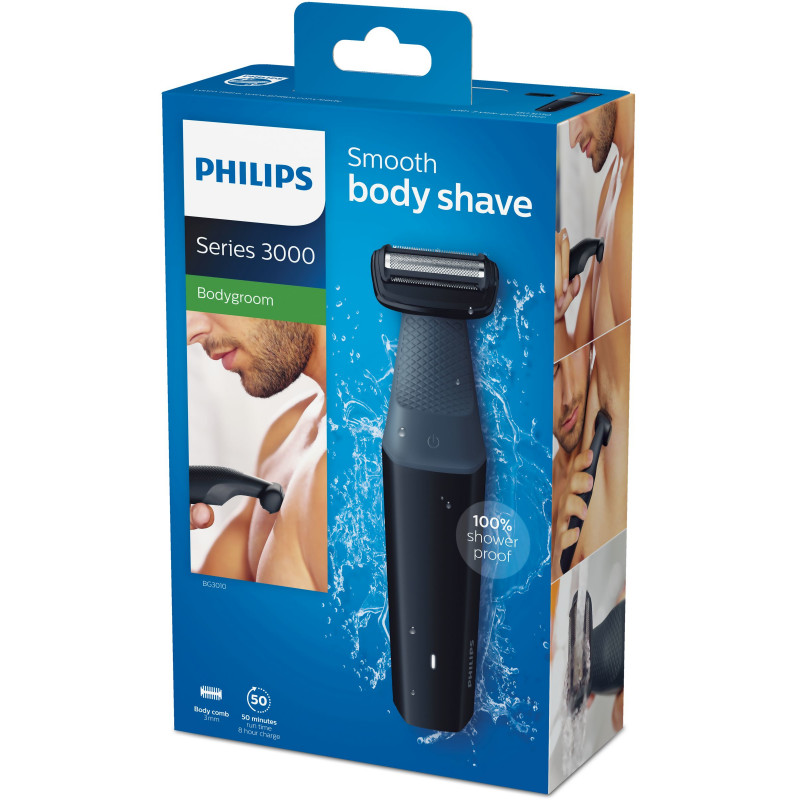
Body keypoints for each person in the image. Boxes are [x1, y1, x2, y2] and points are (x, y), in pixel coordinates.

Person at [186, 312, 327, 592]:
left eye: (212, 294)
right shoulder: (288, 431)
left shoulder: (362, 465)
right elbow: (209, 602)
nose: (190, 334)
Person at [552, 96, 634, 577]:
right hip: (582, 587)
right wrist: (554, 314)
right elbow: (587, 356)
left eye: (573, 108)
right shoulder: (612, 194)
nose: (570, 135)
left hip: (615, 590)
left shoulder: (634, 206)